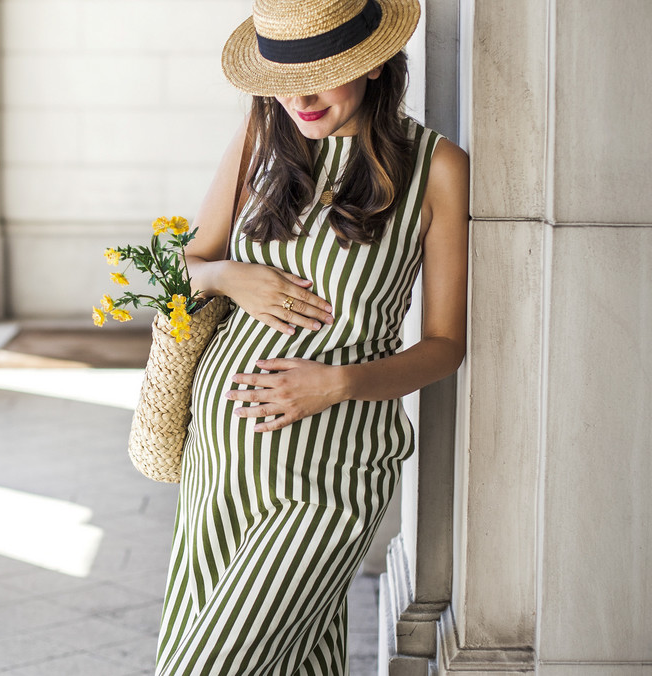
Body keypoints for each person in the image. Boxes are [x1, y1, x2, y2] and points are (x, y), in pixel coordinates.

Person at [154, 0, 468, 674]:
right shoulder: (260, 135)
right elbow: (186, 264)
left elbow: (446, 343)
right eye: (285, 73)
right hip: (221, 468)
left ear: (375, 62)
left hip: (331, 475)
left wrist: (339, 383)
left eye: (323, 73)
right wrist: (232, 277)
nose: (300, 95)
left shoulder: (436, 168)